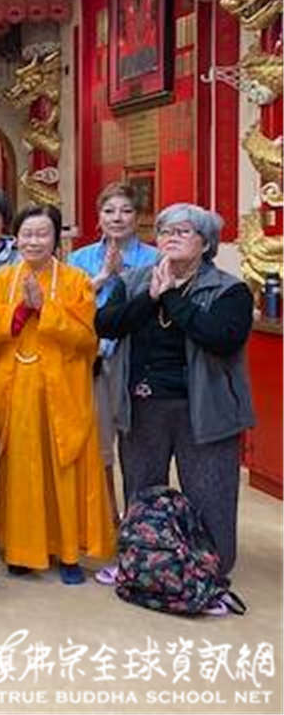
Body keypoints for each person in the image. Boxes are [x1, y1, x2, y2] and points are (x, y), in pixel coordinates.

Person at [95, 204, 254, 593]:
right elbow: (106, 323)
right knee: (142, 490)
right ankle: (140, 562)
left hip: (206, 410)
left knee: (210, 494)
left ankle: (210, 572)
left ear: (206, 243)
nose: (171, 238)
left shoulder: (228, 289)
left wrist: (171, 298)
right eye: (165, 231)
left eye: (183, 231)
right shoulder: (133, 280)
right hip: (143, 404)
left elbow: (221, 337)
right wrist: (150, 297)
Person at [0, 205, 113, 583]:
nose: (34, 241)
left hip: (63, 387)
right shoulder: (1, 280)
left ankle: (67, 552)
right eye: (27, 234)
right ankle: (21, 550)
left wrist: (46, 310)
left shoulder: (75, 281)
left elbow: (87, 339)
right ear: (16, 238)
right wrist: (21, 312)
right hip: (16, 387)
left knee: (64, 468)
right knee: (21, 469)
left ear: (56, 239)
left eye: (42, 234)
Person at [67, 182, 160, 525]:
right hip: (94, 360)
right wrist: (103, 277)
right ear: (99, 216)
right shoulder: (80, 259)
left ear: (138, 217)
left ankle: (141, 520)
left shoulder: (154, 258)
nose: (117, 218)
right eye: (109, 211)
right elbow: (69, 308)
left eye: (126, 211)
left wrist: (125, 277)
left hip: (138, 359)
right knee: (101, 445)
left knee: (140, 445)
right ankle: (108, 518)